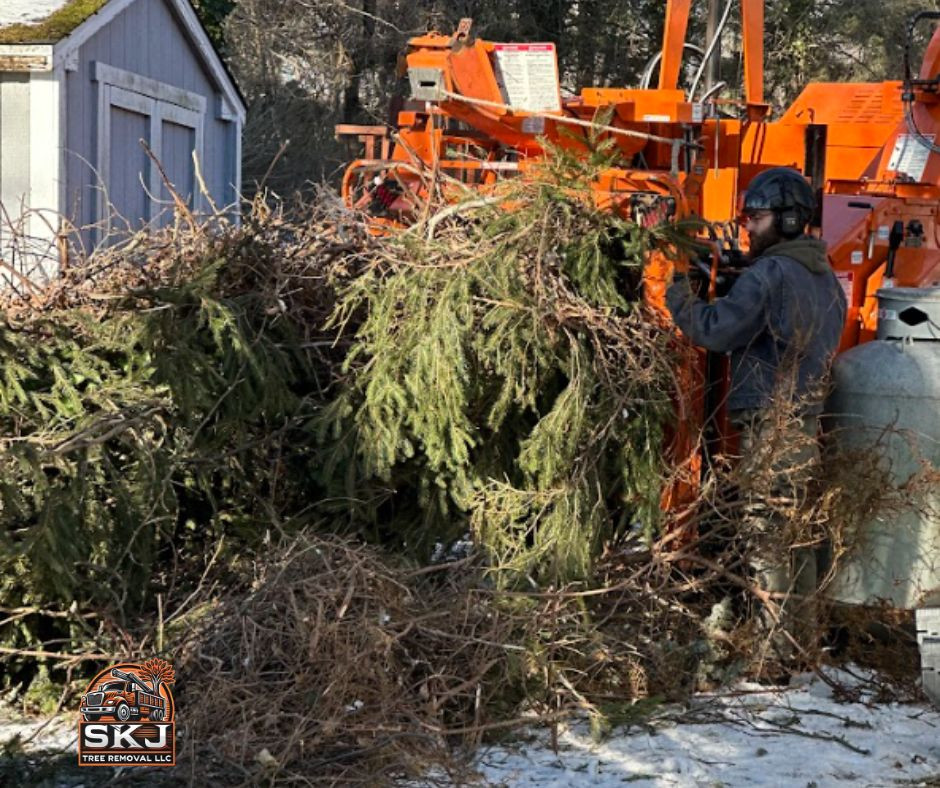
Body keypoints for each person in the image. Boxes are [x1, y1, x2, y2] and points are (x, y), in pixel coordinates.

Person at [665, 166, 847, 664]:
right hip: (805, 423)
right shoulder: (824, 275)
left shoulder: (771, 274)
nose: (748, 227)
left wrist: (678, 290)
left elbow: (717, 331)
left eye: (757, 217)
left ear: (788, 220)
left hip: (773, 423)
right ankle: (799, 648)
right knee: (798, 537)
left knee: (767, 536)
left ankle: (771, 656)